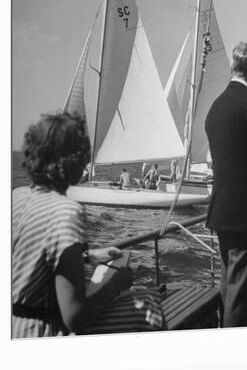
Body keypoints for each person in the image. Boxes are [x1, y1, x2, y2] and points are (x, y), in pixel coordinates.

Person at [12, 112, 164, 338]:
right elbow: (74, 318)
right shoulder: (65, 211)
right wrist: (115, 286)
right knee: (150, 303)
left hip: (11, 329)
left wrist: (90, 256)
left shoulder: (17, 196)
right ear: (75, 161)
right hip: (42, 334)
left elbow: (36, 258)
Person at [205, 41, 247, 327]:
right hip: (245, 215)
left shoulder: (215, 108)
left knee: (227, 283)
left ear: (233, 66)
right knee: (241, 292)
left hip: (221, 211)